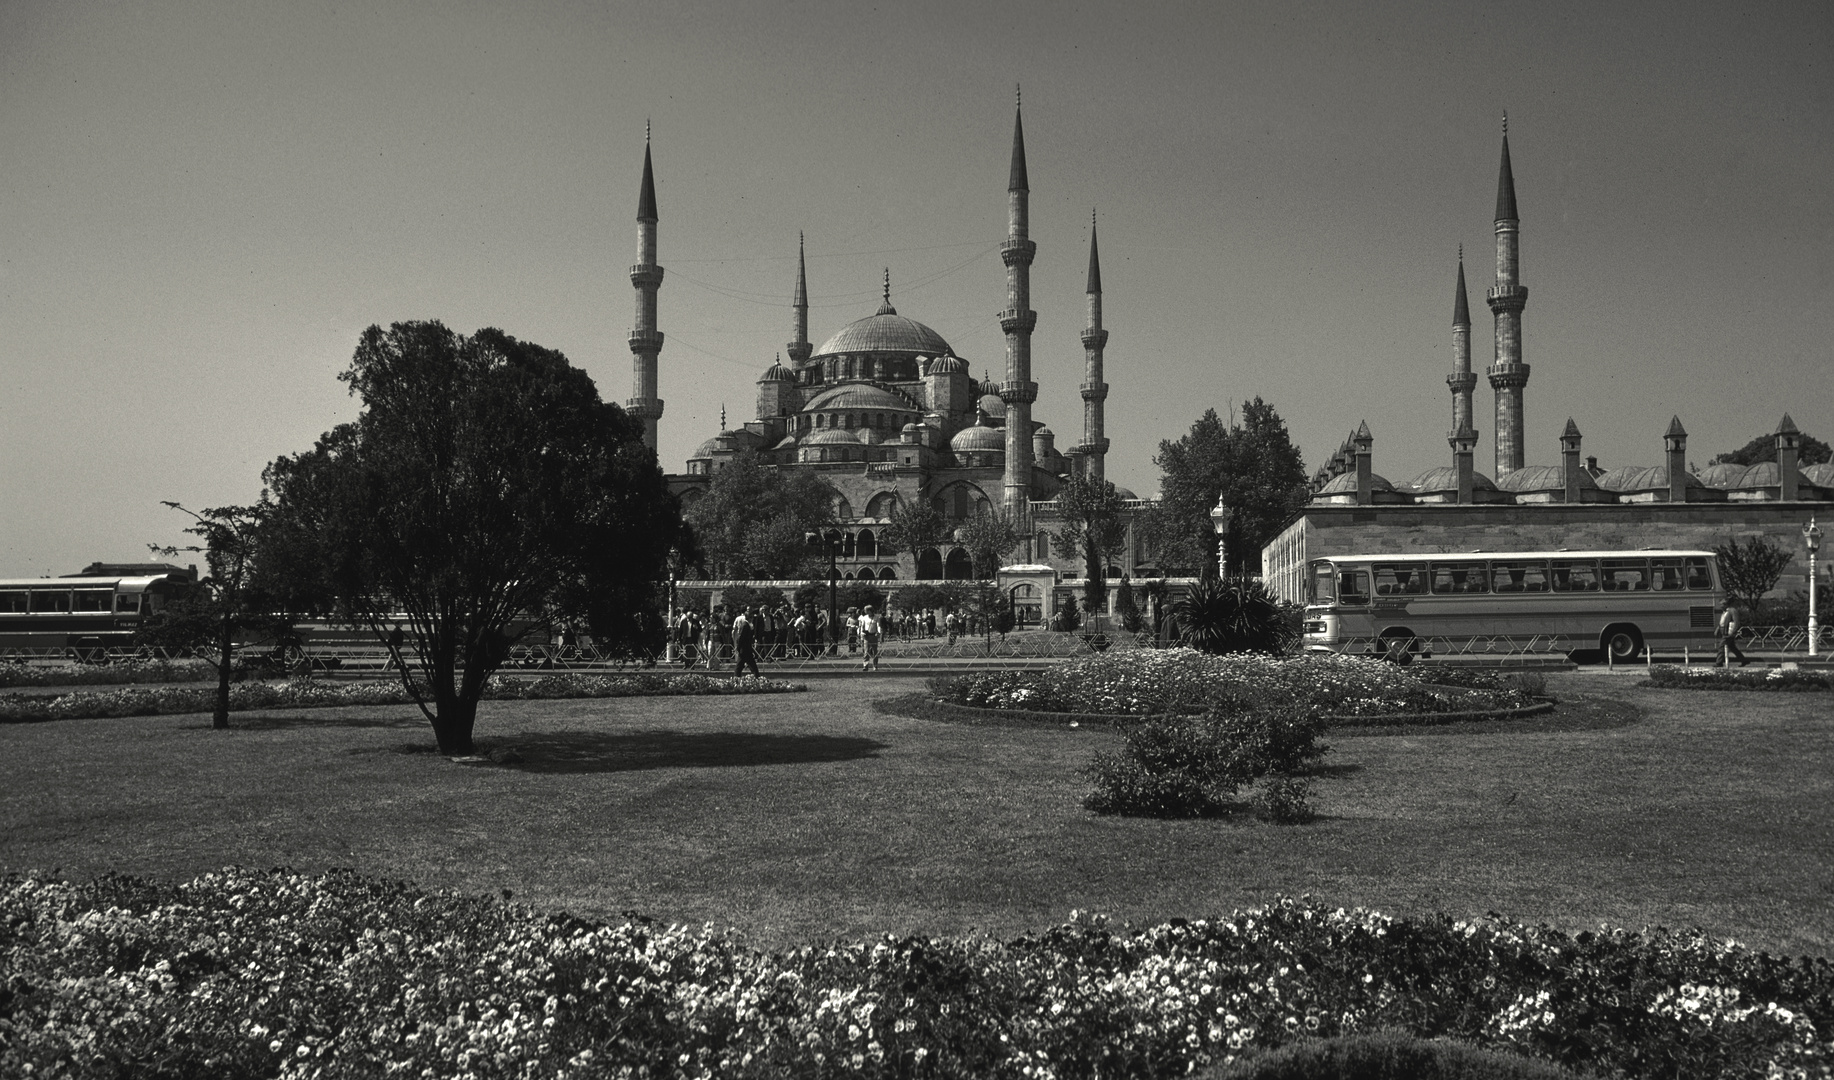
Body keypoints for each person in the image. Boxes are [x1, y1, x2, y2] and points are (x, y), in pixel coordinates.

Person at [732, 606, 761, 677]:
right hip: (744, 649)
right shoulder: (745, 625)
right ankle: (756, 677)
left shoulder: (747, 625)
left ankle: (756, 676)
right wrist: (738, 647)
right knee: (741, 665)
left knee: (748, 665)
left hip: (746, 648)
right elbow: (741, 637)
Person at [1718, 602, 1750, 667]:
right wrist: (1718, 629)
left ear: (1726, 604)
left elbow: (1736, 622)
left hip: (1729, 633)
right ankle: (1743, 660)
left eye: (1722, 605)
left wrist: (1733, 631)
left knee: (1722, 646)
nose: (1720, 606)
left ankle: (1719, 662)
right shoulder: (1725, 612)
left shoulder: (1732, 611)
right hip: (1725, 632)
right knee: (1732, 647)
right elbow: (1723, 622)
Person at [857, 604, 882, 671]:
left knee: (874, 651)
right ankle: (865, 665)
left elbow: (878, 626)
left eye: (866, 610)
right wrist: (862, 634)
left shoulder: (876, 617)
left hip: (874, 635)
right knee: (866, 651)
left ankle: (875, 665)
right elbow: (862, 626)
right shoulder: (864, 618)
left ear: (870, 610)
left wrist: (878, 632)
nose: (865, 612)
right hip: (866, 636)